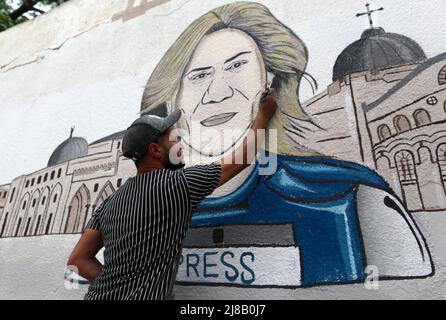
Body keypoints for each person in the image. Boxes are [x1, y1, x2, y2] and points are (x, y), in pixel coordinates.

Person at [139, 1, 433, 286]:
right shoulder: (141, 215)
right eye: (199, 76)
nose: (217, 93)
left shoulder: (352, 196)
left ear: (269, 80)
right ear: (171, 98)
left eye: (237, 66)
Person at [66, 90, 278, 300]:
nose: (181, 144)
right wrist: (264, 115)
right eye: (174, 138)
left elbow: (78, 260)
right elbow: (241, 158)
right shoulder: (177, 185)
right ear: (156, 150)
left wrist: (121, 288)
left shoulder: (109, 202)